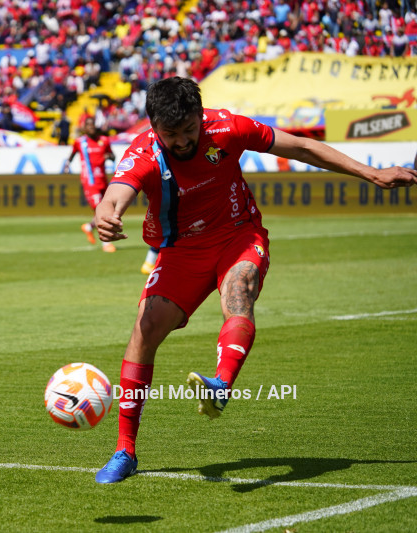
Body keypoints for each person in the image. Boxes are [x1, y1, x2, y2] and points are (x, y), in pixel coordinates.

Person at [93, 77, 416, 484]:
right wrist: (107, 214)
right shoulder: (143, 152)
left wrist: (371, 174)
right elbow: (116, 193)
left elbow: (301, 146)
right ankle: (125, 450)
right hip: (181, 251)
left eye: (189, 130)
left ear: (200, 116)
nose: (181, 141)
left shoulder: (228, 127)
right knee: (145, 330)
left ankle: (221, 385)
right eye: (170, 134)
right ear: (154, 127)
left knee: (239, 290)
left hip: (238, 235)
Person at [63, 117, 116, 253]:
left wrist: (108, 157)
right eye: (88, 125)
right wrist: (67, 166)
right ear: (84, 128)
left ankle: (89, 227)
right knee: (103, 211)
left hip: (103, 180)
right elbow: (72, 154)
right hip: (90, 182)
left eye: (93, 125)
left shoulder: (104, 140)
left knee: (109, 210)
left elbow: (113, 156)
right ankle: (106, 243)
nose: (91, 127)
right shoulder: (80, 142)